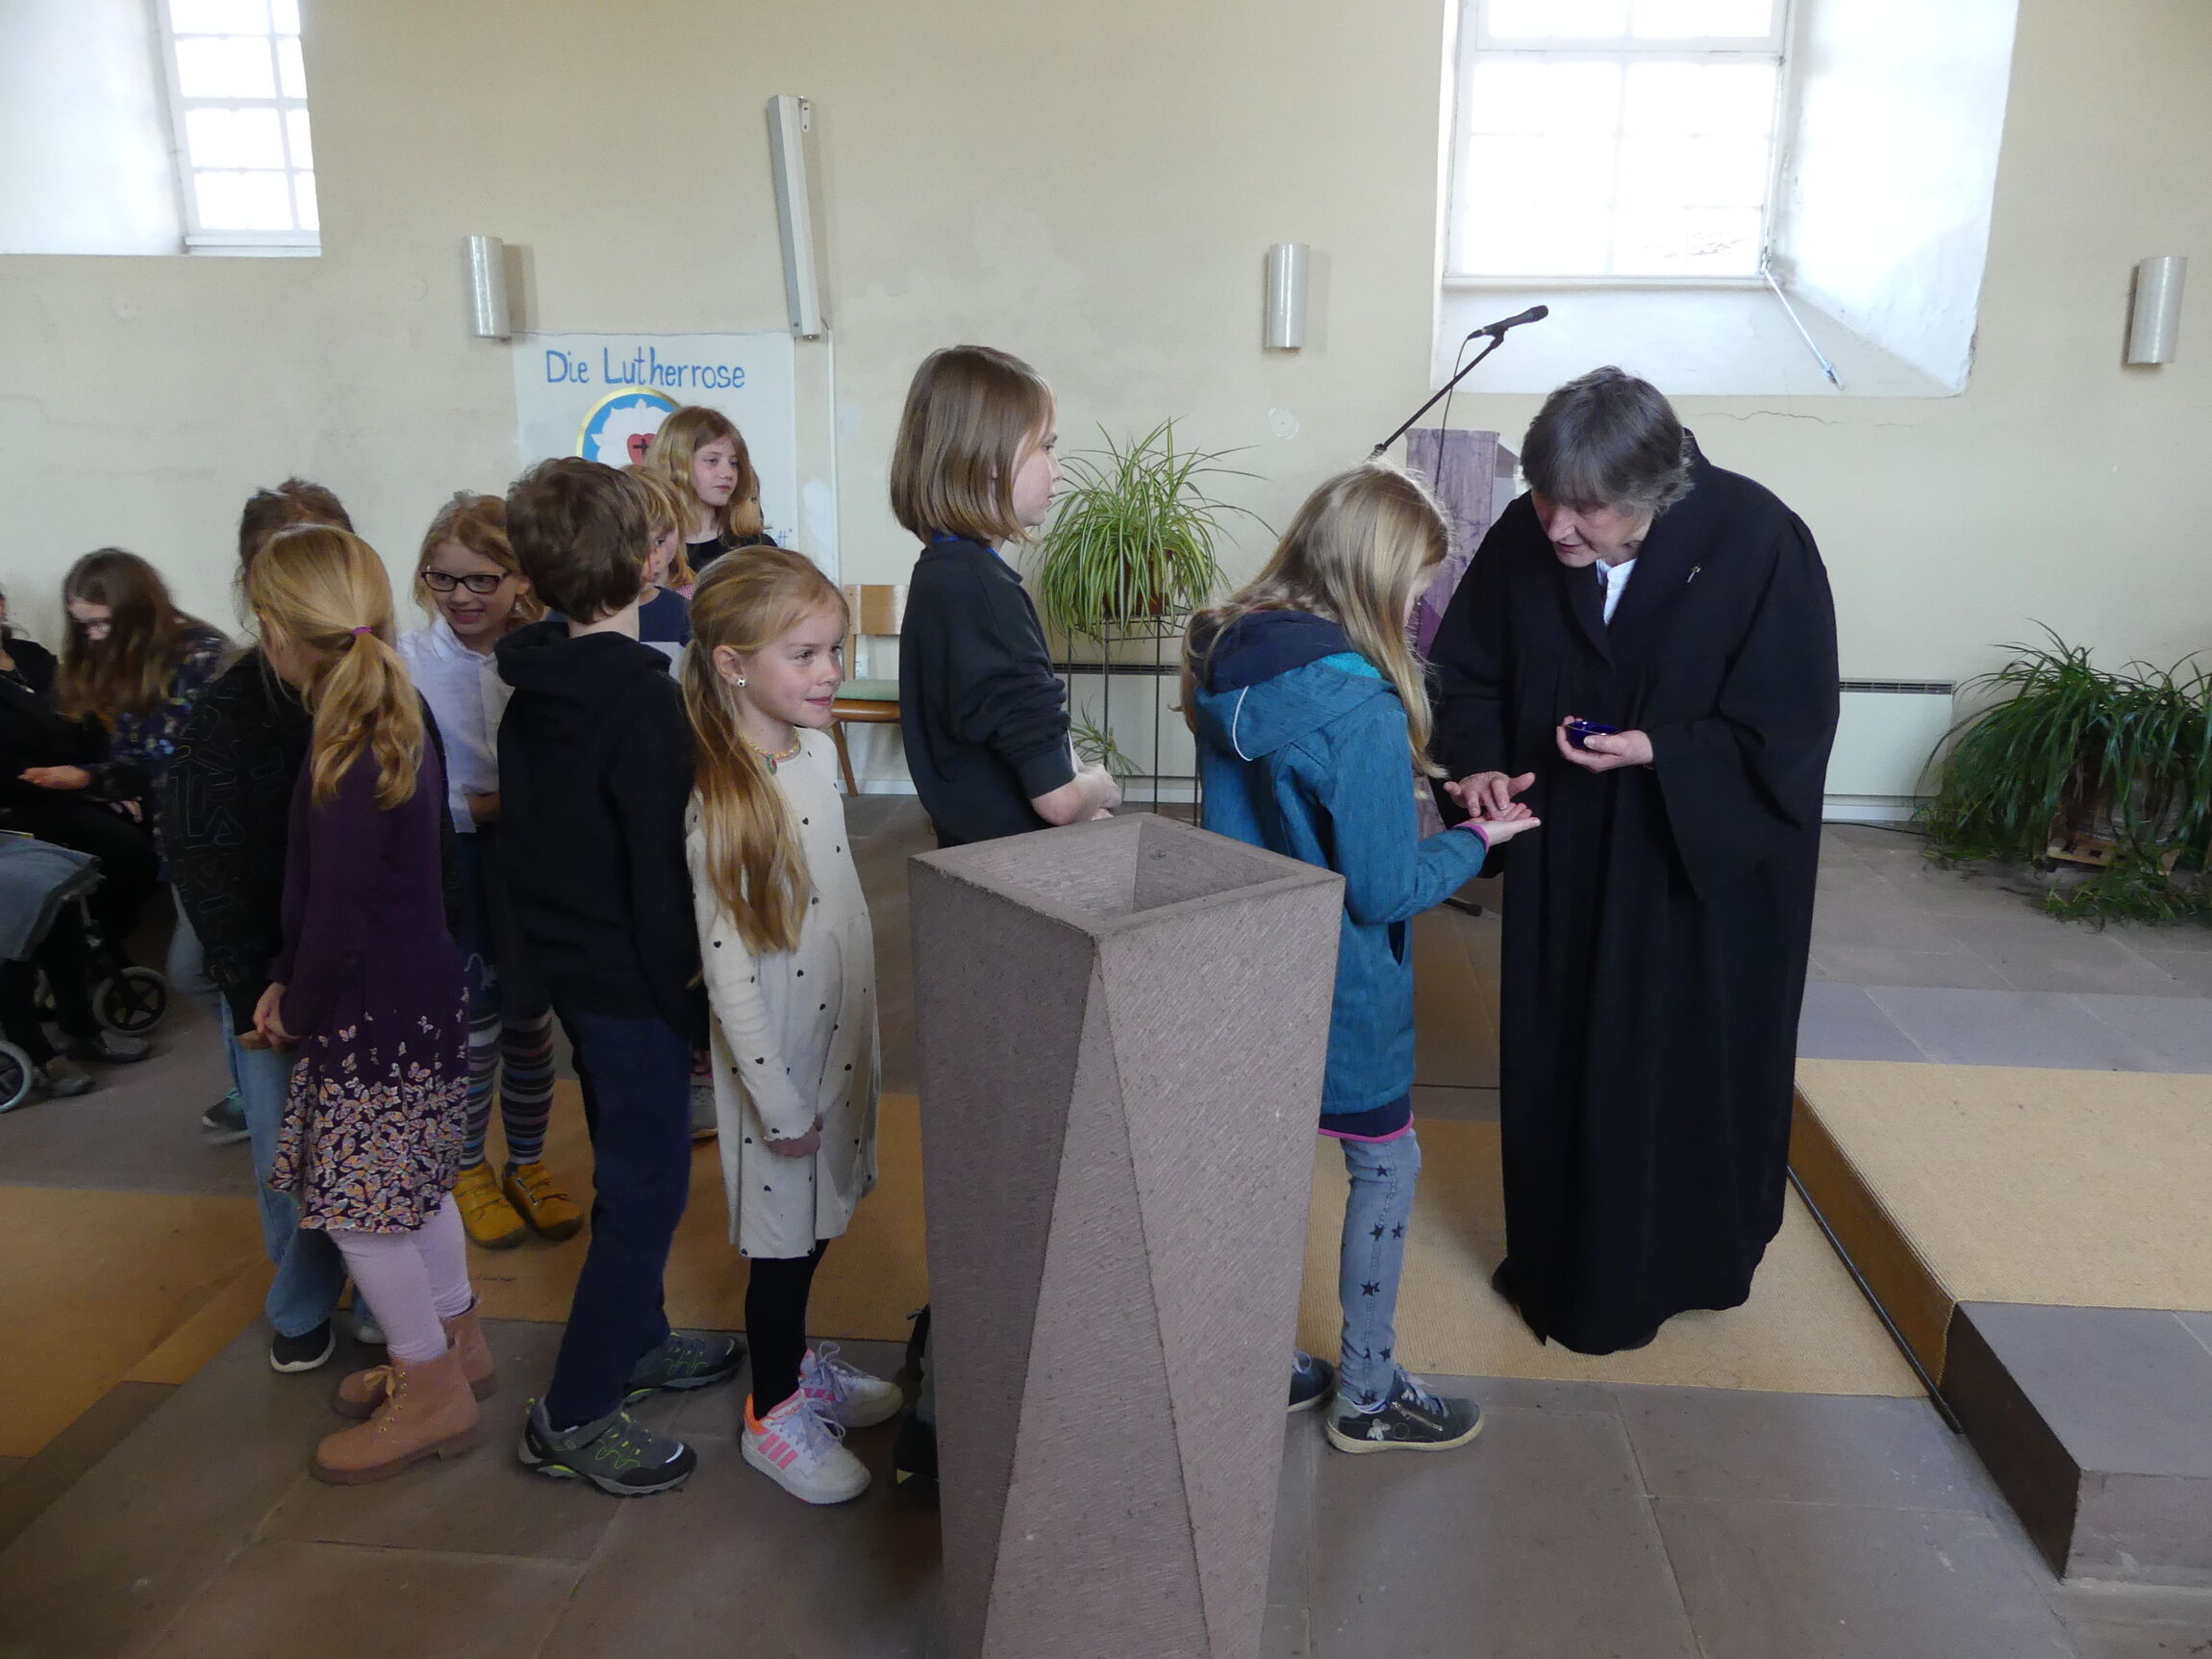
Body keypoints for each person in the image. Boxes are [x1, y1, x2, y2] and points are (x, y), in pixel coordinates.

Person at [1428, 366, 1840, 1356]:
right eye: (1540, 498)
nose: (1557, 528)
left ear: (1659, 490)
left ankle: (1694, 1259)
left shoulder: (1756, 540)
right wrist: (1479, 767)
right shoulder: (1531, 537)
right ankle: (1565, 1269)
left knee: (1679, 1064)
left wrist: (1661, 750)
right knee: (1560, 1057)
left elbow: (1788, 723)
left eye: (1585, 509)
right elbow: (1466, 670)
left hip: (1694, 880)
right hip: (1568, 852)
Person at [1187, 461, 1537, 1452]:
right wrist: (1477, 840)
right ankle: (1369, 1392)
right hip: (1342, 991)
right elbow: (1381, 888)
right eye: (1418, 584)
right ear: (1378, 578)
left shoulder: (1222, 661)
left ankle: (1256, 1360)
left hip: (1241, 969)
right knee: (1384, 1167)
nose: (1421, 605)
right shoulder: (1364, 710)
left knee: (1258, 1169)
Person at [888, 343, 1120, 1493]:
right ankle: (1002, 1383)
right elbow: (1053, 791)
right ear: (984, 461)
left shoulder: (948, 573)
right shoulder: (974, 586)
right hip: (1017, 902)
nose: (1057, 469)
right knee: (1028, 1154)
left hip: (988, 896)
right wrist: (1106, 789)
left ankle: (991, 1359)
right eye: (1044, 447)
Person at [498, 456, 741, 1497]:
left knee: (628, 1168)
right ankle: (577, 1409)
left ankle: (639, 1338)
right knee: (646, 1192)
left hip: (574, 971)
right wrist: (689, 995)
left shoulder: (532, 684)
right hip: (634, 981)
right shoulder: (643, 705)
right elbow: (658, 872)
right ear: (650, 561)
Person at [242, 524, 482, 1484]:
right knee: (419, 1183)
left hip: (366, 1012)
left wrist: (294, 1010)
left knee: (360, 1214)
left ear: (273, 630)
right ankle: (460, 1342)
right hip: (419, 995)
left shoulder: (344, 746)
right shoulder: (396, 702)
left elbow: (336, 917)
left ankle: (429, 1387)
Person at [684, 548, 900, 1504]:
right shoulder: (722, 800)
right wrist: (774, 1099)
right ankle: (771, 1413)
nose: (829, 673)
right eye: (805, 655)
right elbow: (728, 975)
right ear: (732, 665)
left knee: (818, 1223)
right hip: (777, 1066)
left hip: (835, 1040)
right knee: (780, 1246)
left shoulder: (813, 753)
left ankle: (798, 1365)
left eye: (836, 649)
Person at [166, 479, 358, 1367]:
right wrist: (254, 985)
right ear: (256, 590)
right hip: (273, 978)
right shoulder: (229, 712)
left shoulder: (384, 700)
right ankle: (301, 1305)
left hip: (366, 974)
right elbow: (205, 865)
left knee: (367, 1150)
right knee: (291, 1153)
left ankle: (373, 1289)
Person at [398, 493, 576, 1251]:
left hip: (527, 856)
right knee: (470, 1025)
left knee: (530, 1023)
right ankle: (465, 1167)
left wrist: (510, 803)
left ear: (518, 578)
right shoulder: (407, 659)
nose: (463, 597)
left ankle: (527, 1163)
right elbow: (405, 781)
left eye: (482, 580)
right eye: (444, 580)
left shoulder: (538, 651)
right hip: (451, 859)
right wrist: (480, 809)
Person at [47, 549, 232, 1096]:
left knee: (198, 972)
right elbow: (135, 764)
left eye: (103, 623)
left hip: (222, 846)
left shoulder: (203, 656)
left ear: (135, 610)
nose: (96, 638)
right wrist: (84, 778)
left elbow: (212, 765)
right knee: (207, 975)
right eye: (86, 627)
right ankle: (261, 1079)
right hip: (180, 846)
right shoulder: (135, 662)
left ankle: (269, 1081)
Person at [644, 405, 774, 580]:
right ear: (676, 462)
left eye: (734, 463)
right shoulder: (653, 550)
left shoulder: (758, 549)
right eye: (712, 460)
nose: (727, 473)